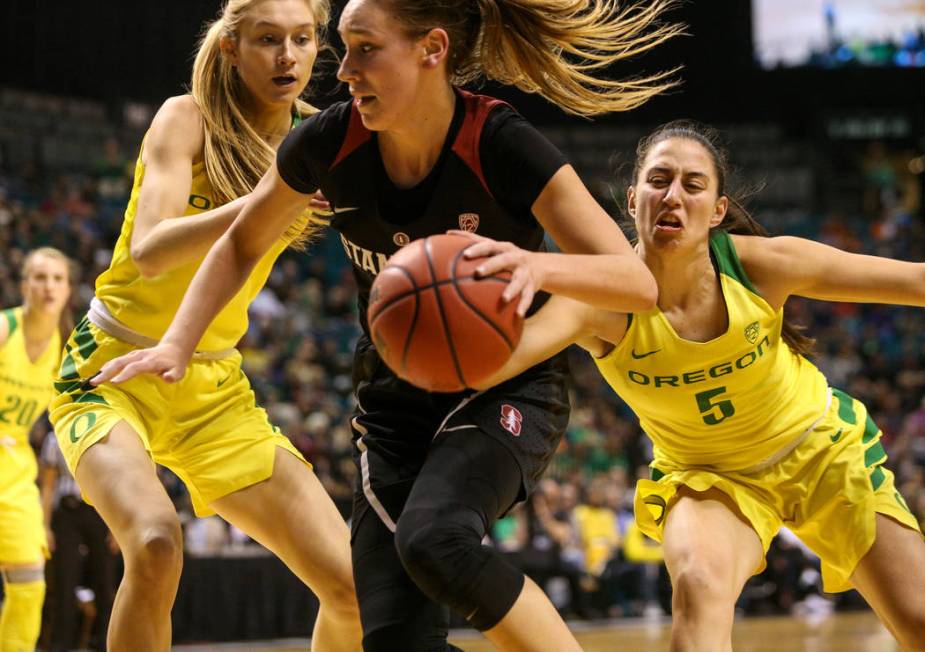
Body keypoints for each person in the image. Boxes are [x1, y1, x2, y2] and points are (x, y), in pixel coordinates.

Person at [90, 1, 684, 649]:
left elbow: (636, 283)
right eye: (341, 49)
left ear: (430, 49)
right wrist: (177, 343)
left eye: (364, 49)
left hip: (503, 388)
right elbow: (239, 241)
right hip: (393, 405)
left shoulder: (498, 142)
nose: (342, 70)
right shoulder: (328, 141)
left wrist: (534, 267)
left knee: (433, 541)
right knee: (392, 636)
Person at [461, 120, 925, 649]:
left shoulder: (763, 267)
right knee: (699, 587)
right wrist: (425, 344)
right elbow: (496, 362)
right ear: (633, 198)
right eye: (659, 180)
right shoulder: (600, 302)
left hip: (821, 453)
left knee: (918, 619)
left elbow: (914, 281)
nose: (672, 196)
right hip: (709, 478)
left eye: (692, 184)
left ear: (718, 210)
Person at [47, 1, 361, 650]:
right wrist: (274, 195)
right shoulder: (183, 117)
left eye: (302, 39)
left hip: (214, 387)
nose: (287, 56)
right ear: (230, 47)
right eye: (267, 39)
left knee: (354, 589)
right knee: (156, 544)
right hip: (111, 370)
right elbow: (151, 247)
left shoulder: (323, 136)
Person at [0, 248, 72, 652]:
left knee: (29, 586)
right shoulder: (4, 329)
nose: (48, 286)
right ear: (24, 284)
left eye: (57, 279)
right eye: (40, 277)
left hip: (15, 475)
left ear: (67, 289)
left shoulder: (62, 352)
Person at [39, 431, 119, 652]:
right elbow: (48, 486)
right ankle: (60, 646)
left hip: (101, 512)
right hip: (66, 513)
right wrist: (44, 526)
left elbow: (115, 483)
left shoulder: (106, 431)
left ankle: (104, 644)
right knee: (64, 582)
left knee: (104, 582)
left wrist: (117, 527)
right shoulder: (54, 437)